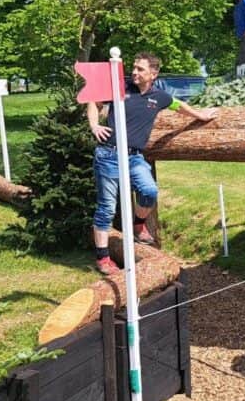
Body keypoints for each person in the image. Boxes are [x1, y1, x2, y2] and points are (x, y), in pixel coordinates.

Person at [87, 52, 217, 273]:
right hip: (109, 154)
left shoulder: (159, 97)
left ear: (153, 74)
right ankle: (103, 259)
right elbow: (93, 101)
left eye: (140, 69)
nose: (134, 72)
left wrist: (200, 115)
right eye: (134, 68)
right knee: (107, 209)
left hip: (134, 156)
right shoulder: (120, 87)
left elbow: (178, 105)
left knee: (149, 190)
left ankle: (139, 224)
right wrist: (94, 125)